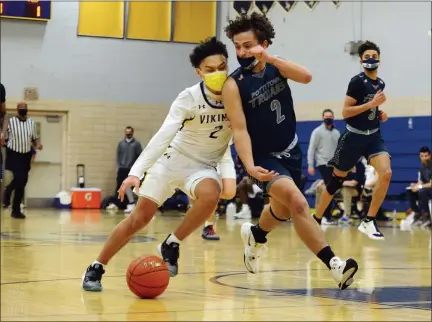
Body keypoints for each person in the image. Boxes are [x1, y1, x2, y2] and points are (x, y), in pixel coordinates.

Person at [82, 37, 236, 291]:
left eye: (222, 67)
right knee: (138, 219)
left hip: (204, 166)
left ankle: (172, 243)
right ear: (199, 72)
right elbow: (163, 136)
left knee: (212, 194)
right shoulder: (188, 98)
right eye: (210, 70)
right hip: (172, 161)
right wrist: (135, 173)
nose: (218, 73)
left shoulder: (236, 95)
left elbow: (237, 136)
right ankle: (97, 266)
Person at [222, 13, 358, 290]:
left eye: (247, 45)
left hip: (291, 150)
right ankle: (335, 265)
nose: (241, 52)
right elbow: (239, 130)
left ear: (264, 43)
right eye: (237, 46)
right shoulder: (233, 84)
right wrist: (248, 166)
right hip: (262, 157)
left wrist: (271, 59)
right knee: (297, 203)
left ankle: (256, 235)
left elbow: (307, 76)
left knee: (282, 211)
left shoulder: (277, 66)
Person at [312, 40, 391, 240]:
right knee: (335, 182)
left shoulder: (380, 83)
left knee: (386, 172)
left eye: (374, 56)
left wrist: (379, 112)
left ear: (379, 60)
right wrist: (372, 104)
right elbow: (346, 112)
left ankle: (369, 220)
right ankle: (317, 218)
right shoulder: (357, 82)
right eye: (367, 57)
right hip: (353, 136)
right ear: (361, 61)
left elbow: (370, 108)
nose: (371, 59)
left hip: (373, 136)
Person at [3, 102, 43, 218]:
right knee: (20, 177)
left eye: (24, 108)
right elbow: (4, 137)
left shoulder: (31, 123)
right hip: (14, 154)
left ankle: (15, 211)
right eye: (21, 108)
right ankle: (8, 190)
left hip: (26, 154)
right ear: (17, 110)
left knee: (23, 182)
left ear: (27, 110)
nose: (23, 110)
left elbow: (33, 140)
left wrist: (37, 145)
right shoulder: (10, 122)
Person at [307, 109, 340, 225]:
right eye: (326, 116)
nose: (328, 118)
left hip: (334, 165)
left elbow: (340, 150)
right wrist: (310, 164)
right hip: (323, 163)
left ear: (333, 117)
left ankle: (323, 215)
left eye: (330, 116)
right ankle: (325, 216)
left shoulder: (337, 133)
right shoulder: (317, 132)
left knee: (331, 188)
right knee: (329, 188)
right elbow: (311, 148)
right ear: (322, 117)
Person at [116, 126, 142, 213]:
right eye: (126, 132)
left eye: (129, 132)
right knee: (124, 186)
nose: (128, 134)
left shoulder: (136, 144)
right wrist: (119, 165)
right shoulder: (121, 143)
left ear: (132, 132)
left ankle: (137, 204)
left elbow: (140, 156)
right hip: (122, 168)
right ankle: (131, 203)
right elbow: (118, 156)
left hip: (132, 169)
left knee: (134, 187)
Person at [407, 146, 432, 225]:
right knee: (410, 190)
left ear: (430, 155)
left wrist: (420, 187)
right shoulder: (422, 167)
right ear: (419, 156)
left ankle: (427, 215)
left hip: (430, 189)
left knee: (422, 192)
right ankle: (417, 213)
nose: (424, 158)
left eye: (426, 156)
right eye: (422, 156)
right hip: (427, 189)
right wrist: (415, 185)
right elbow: (421, 181)